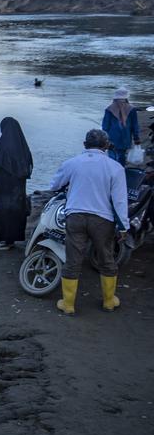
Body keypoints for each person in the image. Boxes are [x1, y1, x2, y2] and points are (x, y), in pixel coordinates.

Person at [49, 129, 129, 316]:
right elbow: (119, 201)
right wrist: (123, 226)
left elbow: (54, 185)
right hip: (103, 220)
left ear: (85, 145)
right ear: (107, 146)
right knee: (106, 258)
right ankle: (109, 301)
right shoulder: (115, 167)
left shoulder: (72, 163)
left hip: (75, 217)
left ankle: (68, 304)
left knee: (73, 259)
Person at [0, 118, 34, 250]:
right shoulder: (23, 146)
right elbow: (28, 167)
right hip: (18, 188)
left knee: (2, 213)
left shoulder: (2, 146)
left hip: (3, 188)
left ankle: (1, 241)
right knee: (15, 213)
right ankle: (10, 241)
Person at [102, 87, 141, 165]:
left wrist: (104, 139)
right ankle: (121, 171)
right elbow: (135, 125)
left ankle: (112, 171)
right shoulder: (131, 109)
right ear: (126, 97)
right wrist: (136, 137)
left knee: (112, 156)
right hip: (125, 137)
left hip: (112, 137)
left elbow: (105, 126)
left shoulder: (109, 109)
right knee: (122, 155)